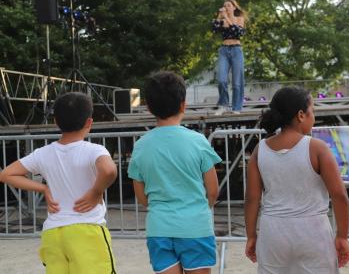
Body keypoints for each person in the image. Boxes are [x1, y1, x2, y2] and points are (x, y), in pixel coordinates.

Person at [0, 92, 118, 274]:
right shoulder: (95, 150)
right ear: (89, 122)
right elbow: (109, 170)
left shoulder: (43, 153)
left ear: (56, 121)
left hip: (53, 234)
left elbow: (6, 174)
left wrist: (43, 188)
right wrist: (96, 191)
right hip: (87, 231)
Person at [244, 86, 349, 274]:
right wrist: (342, 236)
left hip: (273, 232)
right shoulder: (317, 148)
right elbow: (339, 195)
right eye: (313, 111)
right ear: (301, 115)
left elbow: (252, 199)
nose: (314, 117)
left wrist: (251, 236)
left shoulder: (259, 150)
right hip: (313, 232)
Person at [128, 71, 221, 274]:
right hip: (196, 226)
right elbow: (213, 190)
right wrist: (201, 209)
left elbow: (141, 197)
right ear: (183, 105)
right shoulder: (198, 141)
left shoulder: (141, 146)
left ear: (149, 107)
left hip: (159, 228)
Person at [211, 0, 247, 115]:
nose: (226, 7)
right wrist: (219, 16)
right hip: (224, 50)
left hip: (236, 50)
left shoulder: (239, 19)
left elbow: (237, 32)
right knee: (221, 80)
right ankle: (223, 105)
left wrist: (226, 17)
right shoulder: (222, 21)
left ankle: (236, 107)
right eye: (224, 5)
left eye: (228, 5)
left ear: (234, 8)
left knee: (237, 82)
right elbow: (214, 28)